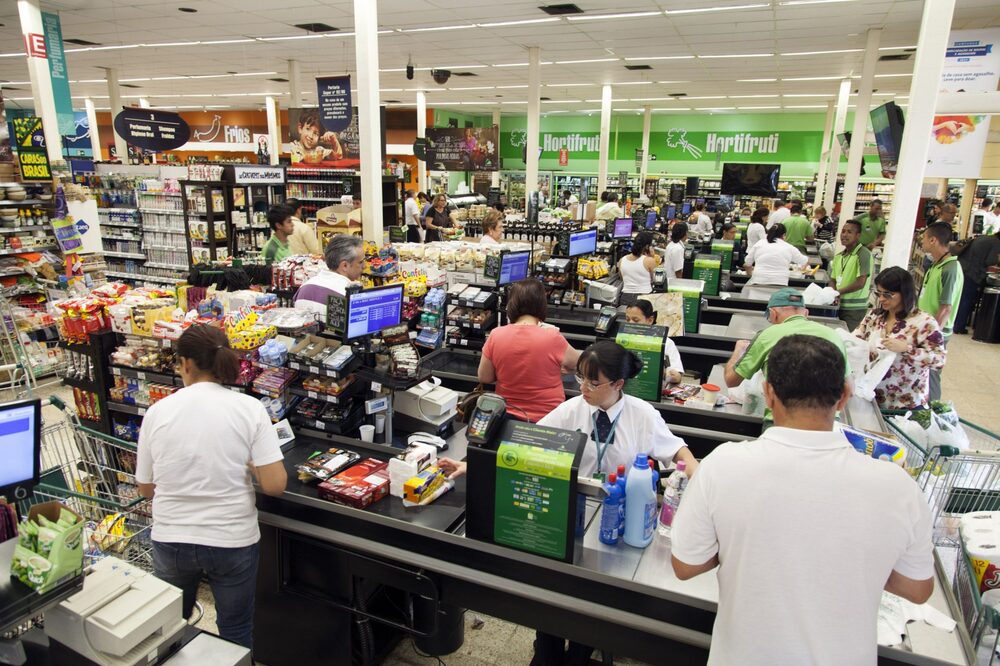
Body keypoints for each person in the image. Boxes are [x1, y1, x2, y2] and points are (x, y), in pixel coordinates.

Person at [672, 334, 934, 666]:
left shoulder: (722, 466)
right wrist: (852, 562)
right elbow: (918, 589)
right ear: (844, 396)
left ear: (768, 392)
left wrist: (745, 548)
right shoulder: (897, 486)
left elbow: (685, 565)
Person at [137, 325, 287, 650]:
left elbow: (146, 488)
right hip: (232, 539)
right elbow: (275, 485)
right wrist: (250, 466)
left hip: (172, 537)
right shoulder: (249, 409)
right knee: (236, 630)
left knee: (167, 629)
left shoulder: (158, 412)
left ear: (186, 363)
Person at [539, 339, 697, 478]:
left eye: (594, 384)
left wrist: (694, 473)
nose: (583, 388)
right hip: (578, 500)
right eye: (581, 378)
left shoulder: (642, 414)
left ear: (618, 384)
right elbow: (533, 437)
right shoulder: (570, 410)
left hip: (623, 501)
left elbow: (677, 450)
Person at [479, 279, 580, 423]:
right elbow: (580, 363)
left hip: (506, 417)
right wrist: (564, 369)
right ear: (541, 304)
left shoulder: (496, 335)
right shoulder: (552, 336)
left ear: (511, 304)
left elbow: (485, 377)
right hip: (549, 419)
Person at [854, 267, 946, 410]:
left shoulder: (925, 323)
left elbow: (939, 360)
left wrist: (907, 349)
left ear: (904, 293)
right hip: (871, 394)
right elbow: (856, 338)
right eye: (879, 293)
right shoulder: (875, 316)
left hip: (905, 402)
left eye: (888, 294)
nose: (882, 299)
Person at [724, 288, 846, 389]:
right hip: (827, 417)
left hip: (780, 416)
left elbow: (731, 380)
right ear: (806, 313)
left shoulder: (767, 335)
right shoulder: (833, 335)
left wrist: (738, 351)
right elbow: (848, 388)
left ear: (772, 313)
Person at [918, 221, 964, 401]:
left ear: (933, 240)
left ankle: (933, 413)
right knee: (923, 373)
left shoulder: (951, 268)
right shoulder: (936, 265)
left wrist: (932, 334)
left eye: (924, 239)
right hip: (925, 327)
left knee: (932, 375)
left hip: (937, 331)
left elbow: (946, 308)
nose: (922, 242)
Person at [294, 234, 364, 318]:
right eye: (360, 262)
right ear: (344, 265)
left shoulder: (304, 287)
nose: (364, 266)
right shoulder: (349, 296)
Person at [624, 299, 684, 384]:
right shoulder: (621, 339)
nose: (630, 323)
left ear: (650, 320)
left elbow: (677, 377)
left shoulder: (665, 343)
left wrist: (667, 374)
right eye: (627, 319)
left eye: (636, 320)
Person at [829, 219, 873, 332]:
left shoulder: (863, 254)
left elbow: (861, 282)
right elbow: (833, 279)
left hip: (855, 310)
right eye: (843, 231)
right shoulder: (839, 256)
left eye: (849, 232)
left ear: (858, 235)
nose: (844, 235)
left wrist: (838, 292)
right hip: (839, 306)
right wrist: (832, 293)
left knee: (849, 339)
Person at [954, 228, 1000, 334]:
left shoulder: (984, 237)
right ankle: (959, 326)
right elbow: (990, 260)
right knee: (967, 300)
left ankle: (956, 323)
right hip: (973, 273)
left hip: (962, 268)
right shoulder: (996, 243)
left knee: (961, 298)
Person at [744, 223, 809, 287]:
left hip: (758, 281)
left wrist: (751, 275)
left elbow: (747, 263)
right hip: (780, 282)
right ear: (784, 235)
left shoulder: (759, 243)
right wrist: (802, 269)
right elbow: (805, 261)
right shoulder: (788, 247)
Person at [618, 230, 657, 306]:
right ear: (647, 246)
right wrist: (652, 257)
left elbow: (622, 278)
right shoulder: (649, 261)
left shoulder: (621, 260)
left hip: (625, 297)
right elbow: (655, 280)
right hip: (645, 297)